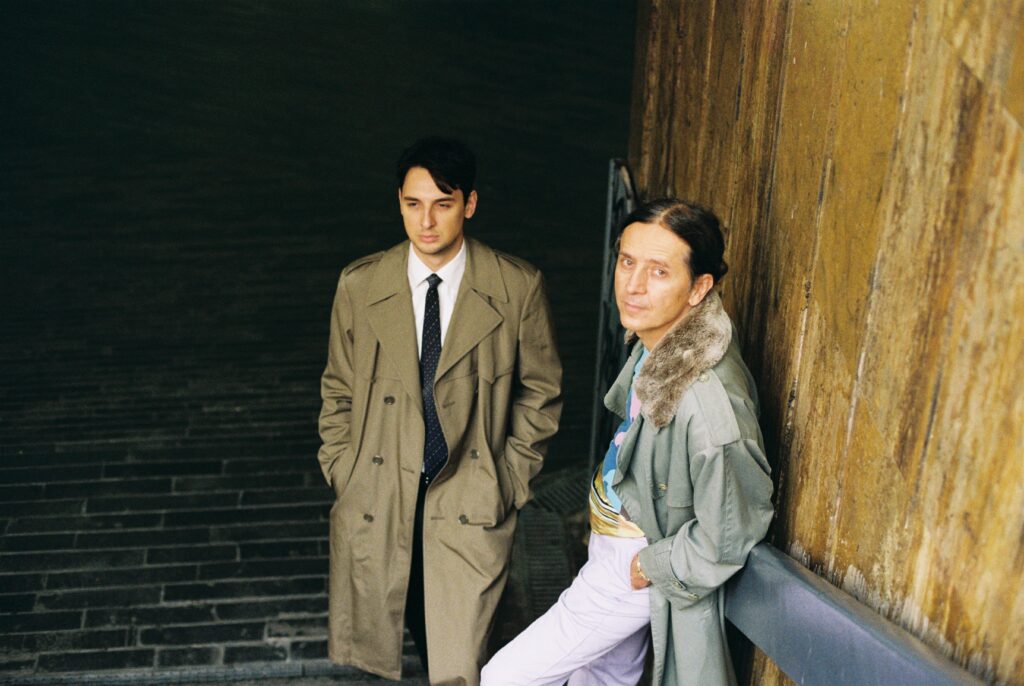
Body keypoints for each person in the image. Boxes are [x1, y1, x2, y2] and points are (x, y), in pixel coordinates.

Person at [481, 199, 773, 686]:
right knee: (601, 681)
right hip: (617, 542)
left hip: (634, 559)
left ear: (699, 287)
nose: (633, 285)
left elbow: (732, 529)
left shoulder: (708, 405)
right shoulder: (659, 342)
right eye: (627, 261)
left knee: (505, 678)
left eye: (659, 271)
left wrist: (648, 566)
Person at [317, 137, 563, 686]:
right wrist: (344, 468)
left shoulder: (517, 287)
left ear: (469, 204)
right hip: (382, 490)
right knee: (396, 623)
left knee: (459, 650)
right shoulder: (360, 284)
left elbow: (541, 393)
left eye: (442, 204)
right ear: (399, 202)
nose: (426, 221)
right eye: (413, 204)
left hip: (468, 493)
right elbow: (338, 388)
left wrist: (508, 480)